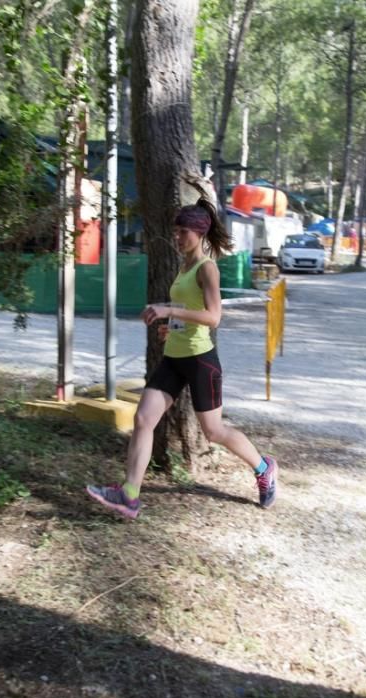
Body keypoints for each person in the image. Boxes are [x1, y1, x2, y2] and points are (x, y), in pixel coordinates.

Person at [86, 198, 278, 519]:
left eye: (182, 232)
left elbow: (214, 316)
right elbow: (190, 314)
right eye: (175, 231)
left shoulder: (207, 268)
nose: (176, 237)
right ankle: (129, 495)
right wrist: (171, 326)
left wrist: (168, 309)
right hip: (174, 357)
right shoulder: (184, 267)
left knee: (213, 432)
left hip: (201, 361)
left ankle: (263, 467)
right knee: (144, 419)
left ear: (200, 233)